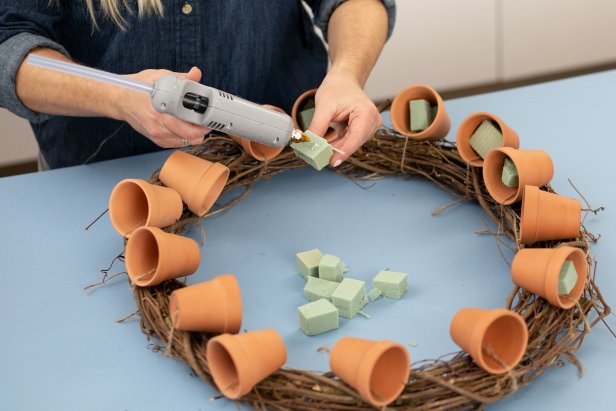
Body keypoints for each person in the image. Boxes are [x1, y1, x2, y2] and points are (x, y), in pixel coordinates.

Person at [0, 0, 395, 170]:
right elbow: (8, 41)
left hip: (283, 166)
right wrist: (119, 97)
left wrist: (346, 72)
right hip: (106, 176)